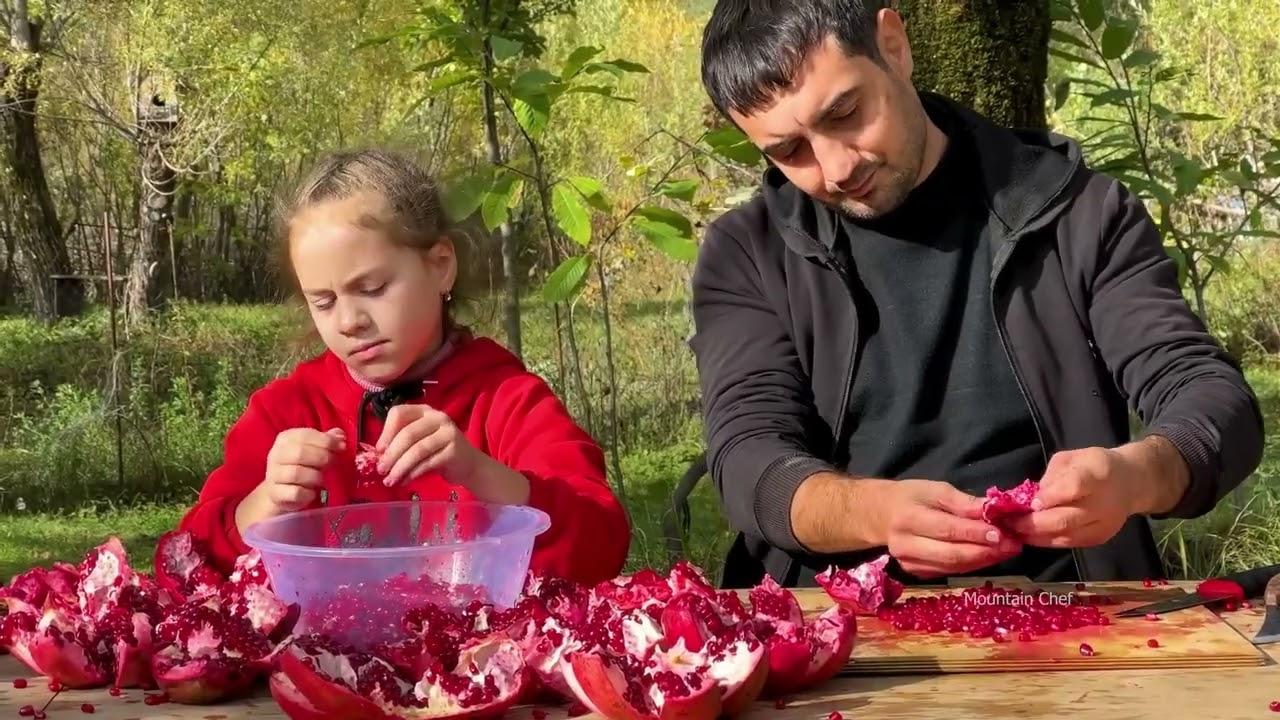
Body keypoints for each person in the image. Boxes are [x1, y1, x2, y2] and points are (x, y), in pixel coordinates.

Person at [690, 0, 1265, 589]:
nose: (835, 167)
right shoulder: (748, 255)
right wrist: (878, 514)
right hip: (840, 619)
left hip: (1072, 602)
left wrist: (1133, 475)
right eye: (790, 152)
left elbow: (1210, 396)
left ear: (893, 45)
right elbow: (747, 459)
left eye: (845, 112)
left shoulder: (1078, 214)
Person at [178, 149, 631, 587]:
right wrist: (265, 502)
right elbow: (186, 560)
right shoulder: (286, 412)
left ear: (440, 266)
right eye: (324, 301)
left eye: (372, 288)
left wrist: (477, 473)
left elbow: (602, 542)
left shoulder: (506, 401)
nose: (350, 321)